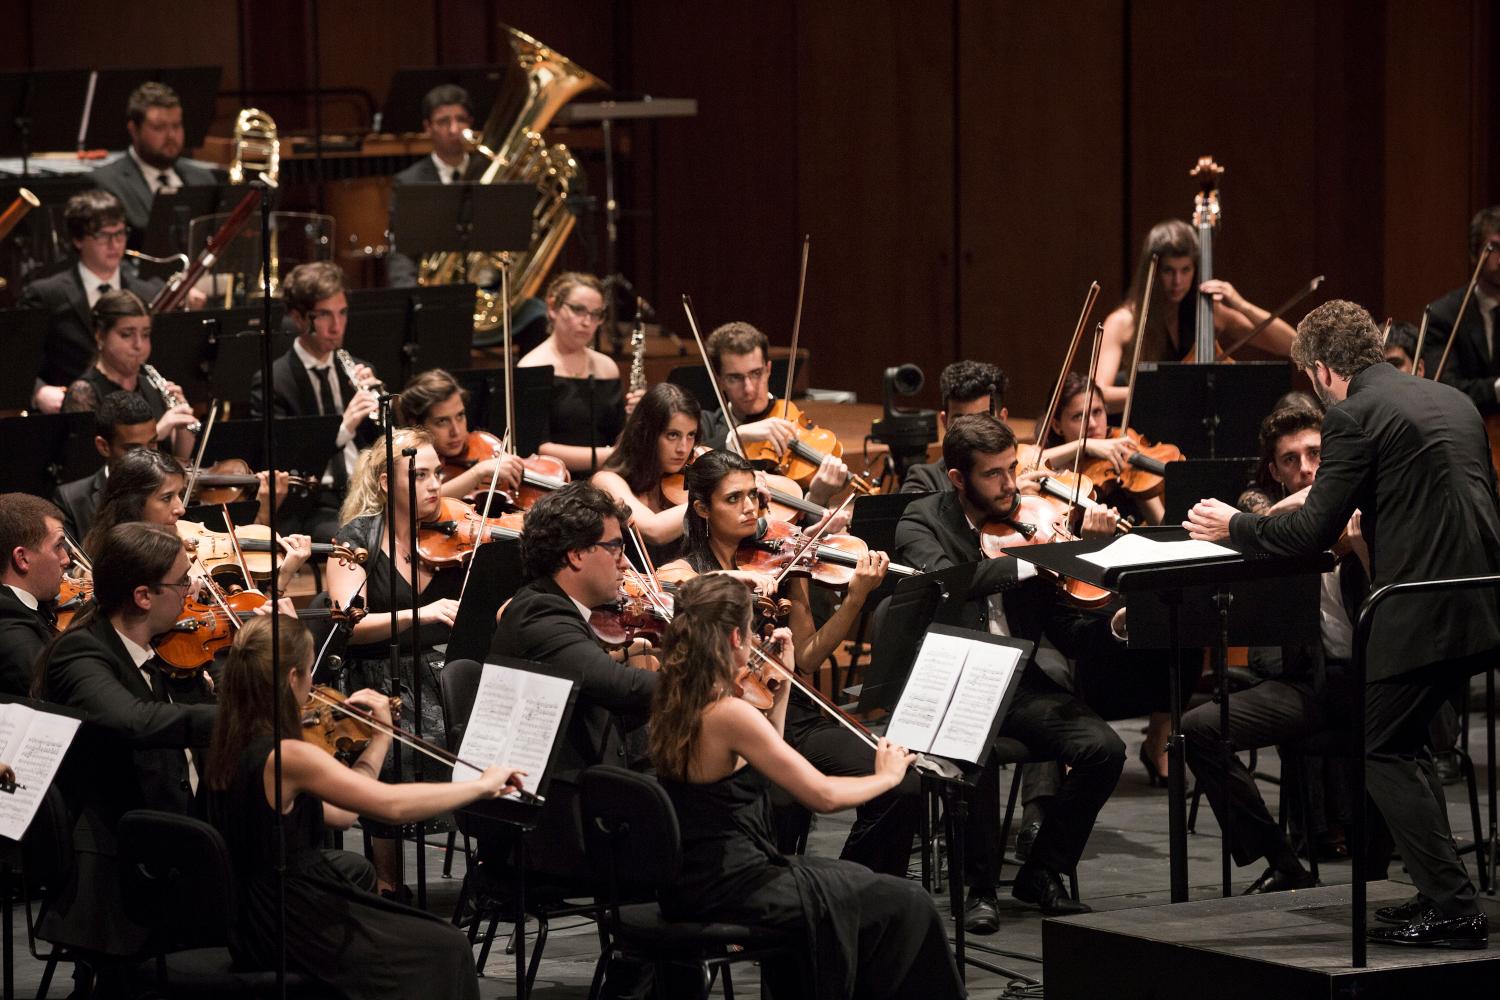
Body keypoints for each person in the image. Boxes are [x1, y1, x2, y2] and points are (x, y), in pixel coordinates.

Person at [1186, 299, 1500, 948]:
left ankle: (1453, 907)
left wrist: (1236, 525)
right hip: (1481, 602)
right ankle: (1440, 891)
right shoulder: (1453, 401)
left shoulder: (1354, 414)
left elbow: (1310, 531)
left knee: (1382, 748)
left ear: (1322, 371)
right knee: (1405, 743)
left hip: (1414, 610)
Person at [648, 573, 963, 1000]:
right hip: (734, 886)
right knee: (909, 901)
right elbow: (822, 796)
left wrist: (780, 687)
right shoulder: (728, 713)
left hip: (696, 881)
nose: (755, 642)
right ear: (736, 637)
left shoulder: (678, 697)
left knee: (863, 882)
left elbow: (765, 755)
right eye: (751, 633)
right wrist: (888, 777)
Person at [204, 615, 523, 1000]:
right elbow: (391, 807)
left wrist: (380, 739)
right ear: (292, 678)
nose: (314, 687)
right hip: (289, 917)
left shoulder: (229, 737)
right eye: (310, 673)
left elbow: (343, 815)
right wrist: (480, 786)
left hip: (254, 911)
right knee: (446, 945)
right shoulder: (290, 755)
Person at [895, 413, 1125, 931]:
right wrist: (1032, 560)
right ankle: (979, 889)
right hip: (950, 678)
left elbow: (1068, 632)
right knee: (972, 749)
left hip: (1016, 677)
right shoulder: (921, 518)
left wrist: (1113, 619)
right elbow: (947, 580)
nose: (1009, 485)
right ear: (959, 478)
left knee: (1104, 750)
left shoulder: (1032, 522)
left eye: (1012, 469)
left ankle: (1042, 871)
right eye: (993, 474)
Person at [657, 449, 921, 878]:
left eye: (754, 496)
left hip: (793, 715)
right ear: (702, 508)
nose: (749, 508)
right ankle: (775, 886)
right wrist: (737, 578)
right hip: (730, 721)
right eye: (733, 499)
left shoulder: (781, 561)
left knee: (903, 786)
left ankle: (855, 883)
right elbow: (669, 588)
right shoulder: (684, 569)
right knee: (780, 799)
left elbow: (810, 656)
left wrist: (855, 598)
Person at [1183, 402, 1369, 894]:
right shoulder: (1270, 528)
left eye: (1316, 454)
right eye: (1291, 459)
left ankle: (1379, 878)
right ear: (1275, 471)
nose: (1306, 468)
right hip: (1310, 683)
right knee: (1199, 728)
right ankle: (1283, 861)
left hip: (1375, 682)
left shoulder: (1367, 510)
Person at [32, 522, 217, 959]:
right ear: (143, 596)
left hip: (171, 839)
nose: (192, 591)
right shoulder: (80, 652)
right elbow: (132, 721)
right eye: (182, 581)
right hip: (120, 866)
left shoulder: (160, 649)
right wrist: (240, 716)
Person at [485, 482, 660, 877]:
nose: (625, 564)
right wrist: (705, 681)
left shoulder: (553, 606)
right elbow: (617, 686)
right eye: (615, 548)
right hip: (560, 819)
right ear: (577, 554)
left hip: (584, 793)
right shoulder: (540, 613)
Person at [326, 426, 460, 897]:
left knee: (481, 735)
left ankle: (491, 871)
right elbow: (348, 623)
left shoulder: (454, 533)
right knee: (399, 749)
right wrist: (420, 614)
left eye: (438, 474)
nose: (434, 485)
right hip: (375, 675)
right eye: (419, 475)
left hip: (441, 669)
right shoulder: (357, 538)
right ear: (386, 482)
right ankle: (387, 883)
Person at [1095, 219, 1295, 409]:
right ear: (1153, 271)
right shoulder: (1123, 321)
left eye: (1186, 270)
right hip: (1143, 426)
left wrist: (1242, 305)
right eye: (1168, 271)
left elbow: (1291, 344)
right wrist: (1162, 390)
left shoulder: (1209, 313)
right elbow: (1097, 395)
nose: (1177, 281)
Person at [249, 261, 383, 541]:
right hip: (314, 504)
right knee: (363, 540)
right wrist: (344, 428)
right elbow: (283, 461)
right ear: (298, 318)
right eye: (324, 315)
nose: (337, 326)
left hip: (366, 493)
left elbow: (383, 447)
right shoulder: (275, 381)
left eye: (342, 313)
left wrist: (383, 409)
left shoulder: (358, 370)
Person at [19, 189, 164, 412]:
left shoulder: (149, 293)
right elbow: (18, 360)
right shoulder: (46, 294)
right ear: (78, 240)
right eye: (103, 236)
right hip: (73, 412)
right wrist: (38, 392)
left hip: (138, 413)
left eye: (120, 233)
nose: (115, 244)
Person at [698, 321, 849, 506]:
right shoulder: (707, 426)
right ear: (719, 380)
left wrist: (817, 497)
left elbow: (803, 519)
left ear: (768, 370)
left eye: (756, 373)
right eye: (735, 378)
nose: (749, 388)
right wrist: (737, 437)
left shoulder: (792, 424)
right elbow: (693, 470)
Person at [519, 272, 641, 474]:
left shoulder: (607, 367)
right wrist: (614, 455)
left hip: (605, 476)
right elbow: (537, 448)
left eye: (596, 314)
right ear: (553, 307)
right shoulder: (532, 367)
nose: (587, 322)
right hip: (554, 480)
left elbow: (616, 435)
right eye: (578, 310)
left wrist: (636, 416)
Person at [62, 289, 198, 459]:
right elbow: (87, 464)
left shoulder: (152, 387)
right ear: (100, 336)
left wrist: (184, 425)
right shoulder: (83, 393)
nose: (139, 345)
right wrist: (155, 434)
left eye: (145, 334)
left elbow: (178, 460)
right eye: (126, 334)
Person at [89, 81, 218, 242]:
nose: (171, 136)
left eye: (176, 126)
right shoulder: (107, 183)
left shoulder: (203, 178)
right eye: (159, 128)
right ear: (134, 130)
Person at [591, 381, 701, 567]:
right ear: (646, 434)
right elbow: (654, 530)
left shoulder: (692, 470)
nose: (683, 448)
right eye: (673, 435)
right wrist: (712, 497)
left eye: (691, 435)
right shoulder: (607, 481)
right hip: (632, 584)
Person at [386, 85, 482, 288]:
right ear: (428, 127)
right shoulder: (408, 182)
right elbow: (401, 253)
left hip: (487, 284)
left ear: (471, 123)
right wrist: (413, 296)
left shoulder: (489, 173)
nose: (454, 129)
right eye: (443, 121)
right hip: (434, 290)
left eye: (461, 120)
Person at [1039, 372, 1164, 525]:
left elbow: (1160, 522)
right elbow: (1030, 462)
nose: (1092, 424)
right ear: (1057, 426)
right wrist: (1083, 445)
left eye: (1097, 412)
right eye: (1079, 416)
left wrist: (1138, 482)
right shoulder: (1052, 466)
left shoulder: (1123, 449)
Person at [395, 367, 524, 500]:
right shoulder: (408, 463)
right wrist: (478, 472)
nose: (456, 431)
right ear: (416, 424)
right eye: (442, 421)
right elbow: (418, 501)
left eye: (460, 415)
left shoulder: (482, 443)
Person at [52, 390, 159, 543]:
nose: (147, 456)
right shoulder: (71, 500)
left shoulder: (171, 492)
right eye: (133, 449)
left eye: (153, 443)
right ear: (103, 446)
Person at [1425, 206, 1500, 411]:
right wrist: (1496, 388)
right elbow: (1444, 388)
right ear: (1475, 254)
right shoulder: (1444, 315)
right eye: (1494, 248)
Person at [900, 360, 1007, 494]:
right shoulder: (923, 480)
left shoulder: (1019, 471)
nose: (972, 434)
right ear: (945, 421)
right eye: (960, 422)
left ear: (1002, 419)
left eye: (983, 420)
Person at [0, 494, 71, 695]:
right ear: (22, 558)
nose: (66, 559)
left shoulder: (33, 604)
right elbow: (56, 690)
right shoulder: (7, 621)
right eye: (58, 546)